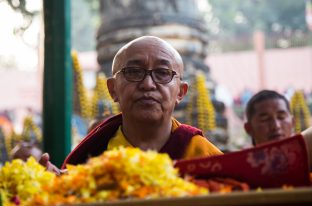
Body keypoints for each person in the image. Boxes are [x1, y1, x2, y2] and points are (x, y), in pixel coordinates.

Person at [40, 36, 223, 174]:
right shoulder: (92, 155)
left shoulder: (202, 155)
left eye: (162, 72)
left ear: (181, 92)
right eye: (134, 72)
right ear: (113, 89)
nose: (148, 84)